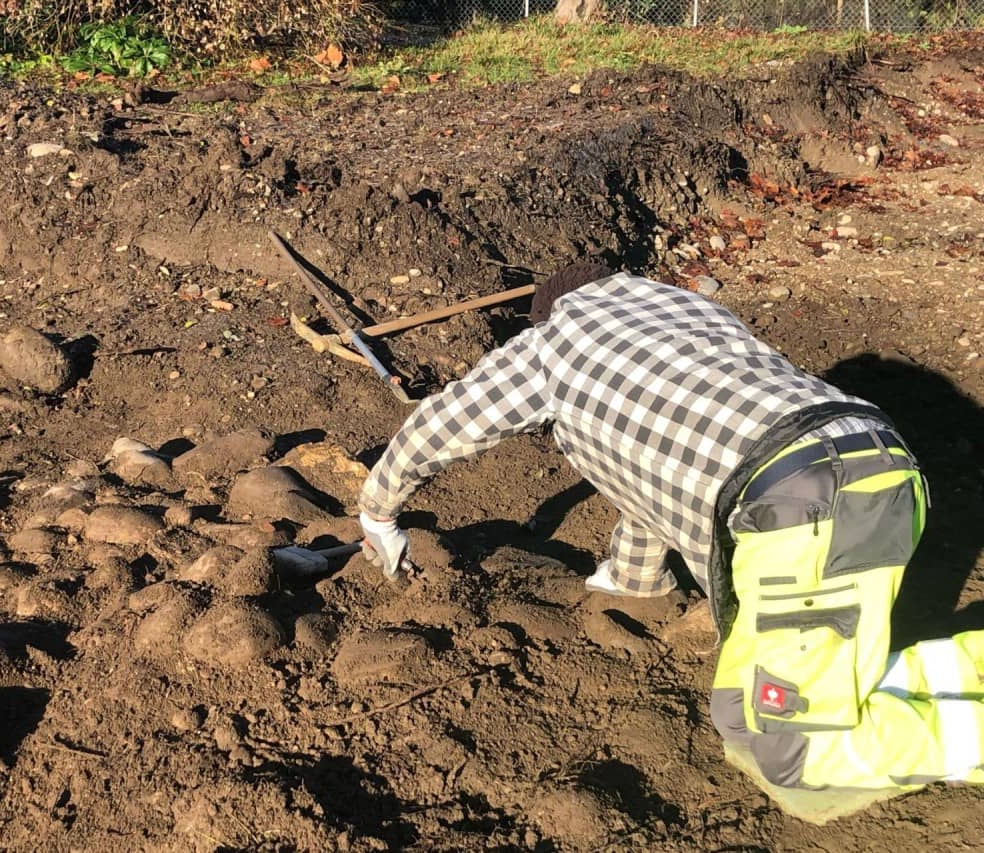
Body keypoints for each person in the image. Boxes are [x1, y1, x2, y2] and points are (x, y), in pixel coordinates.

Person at [357, 264, 984, 791]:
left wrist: (376, 510)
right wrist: (630, 582)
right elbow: (655, 477)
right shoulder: (680, 311)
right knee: (810, 678)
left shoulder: (551, 344)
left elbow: (440, 425)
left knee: (777, 745)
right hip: (878, 459)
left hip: (790, 502)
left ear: (547, 316)